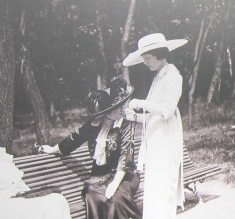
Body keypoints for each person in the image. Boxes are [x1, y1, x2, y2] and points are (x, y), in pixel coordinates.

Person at [39, 78, 141, 219]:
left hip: (124, 176)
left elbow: (126, 156)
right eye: (119, 107)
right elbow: (74, 139)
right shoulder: (94, 124)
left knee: (116, 198)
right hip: (99, 177)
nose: (123, 110)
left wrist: (114, 184)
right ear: (109, 109)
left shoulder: (126, 124)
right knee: (92, 194)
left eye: (124, 105)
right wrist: (52, 149)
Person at [122, 33, 187, 219]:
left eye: (148, 57)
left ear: (159, 54)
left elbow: (166, 109)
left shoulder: (173, 76)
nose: (145, 62)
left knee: (163, 190)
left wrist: (141, 103)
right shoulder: (158, 77)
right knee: (153, 190)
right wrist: (134, 116)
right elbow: (152, 115)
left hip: (165, 141)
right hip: (155, 142)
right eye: (143, 58)